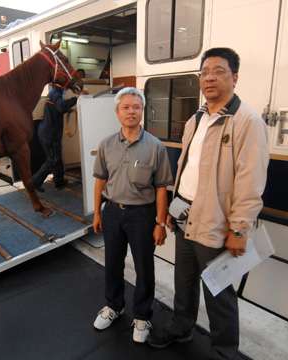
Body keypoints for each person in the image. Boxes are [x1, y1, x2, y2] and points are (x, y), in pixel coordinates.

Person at [147, 48, 269, 359]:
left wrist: (239, 229)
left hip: (216, 221)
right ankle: (182, 327)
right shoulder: (196, 119)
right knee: (183, 281)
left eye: (219, 71)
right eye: (204, 72)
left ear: (235, 77)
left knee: (219, 292)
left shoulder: (247, 121)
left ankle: (224, 351)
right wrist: (174, 209)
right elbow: (188, 168)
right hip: (185, 214)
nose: (210, 77)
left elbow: (250, 181)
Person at [92, 87, 173, 343]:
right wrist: (97, 213)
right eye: (125, 107)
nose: (131, 111)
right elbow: (100, 182)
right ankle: (114, 306)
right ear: (117, 112)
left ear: (142, 111)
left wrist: (160, 222)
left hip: (143, 215)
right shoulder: (106, 145)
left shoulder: (155, 146)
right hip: (113, 212)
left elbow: (161, 188)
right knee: (113, 264)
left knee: (144, 268)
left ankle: (142, 316)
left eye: (136, 107)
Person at [32, 84, 80, 192]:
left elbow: (57, 108)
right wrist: (76, 99)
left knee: (57, 157)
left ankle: (59, 181)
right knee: (52, 160)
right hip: (50, 133)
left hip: (48, 131)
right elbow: (61, 106)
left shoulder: (54, 92)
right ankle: (34, 182)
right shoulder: (56, 93)